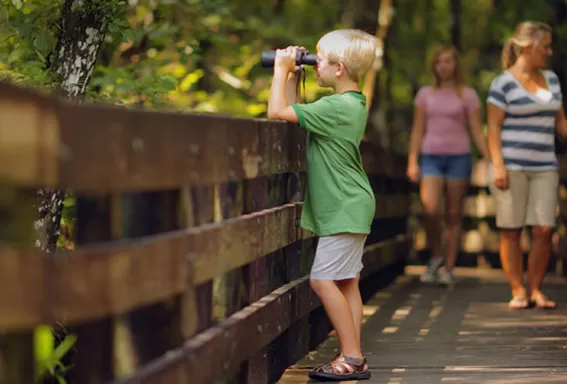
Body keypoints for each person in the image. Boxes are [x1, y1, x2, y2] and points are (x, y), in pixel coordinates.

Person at [266, 29, 377, 381]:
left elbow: (276, 112)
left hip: (344, 205)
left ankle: (353, 356)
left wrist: (280, 69)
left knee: (322, 280)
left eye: (319, 60)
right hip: (351, 203)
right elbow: (292, 111)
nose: (315, 65)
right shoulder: (351, 103)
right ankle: (353, 354)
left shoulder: (335, 107)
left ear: (339, 68)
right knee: (347, 283)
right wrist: (293, 76)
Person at [487, 21, 567, 310]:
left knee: (544, 228)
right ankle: (518, 289)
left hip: (545, 165)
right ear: (528, 47)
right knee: (511, 229)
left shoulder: (552, 79)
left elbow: (560, 121)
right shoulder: (502, 83)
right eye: (545, 45)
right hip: (511, 164)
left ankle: (536, 289)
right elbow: (493, 127)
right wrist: (498, 165)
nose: (549, 51)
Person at [407, 45, 490, 285]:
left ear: (456, 65)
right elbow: (418, 130)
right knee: (430, 209)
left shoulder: (468, 95)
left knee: (454, 214)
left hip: (459, 157)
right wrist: (413, 160)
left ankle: (449, 267)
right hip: (431, 157)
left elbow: (476, 130)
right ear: (434, 66)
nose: (444, 66)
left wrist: (489, 158)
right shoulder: (425, 94)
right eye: (440, 61)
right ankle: (435, 257)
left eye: (449, 61)